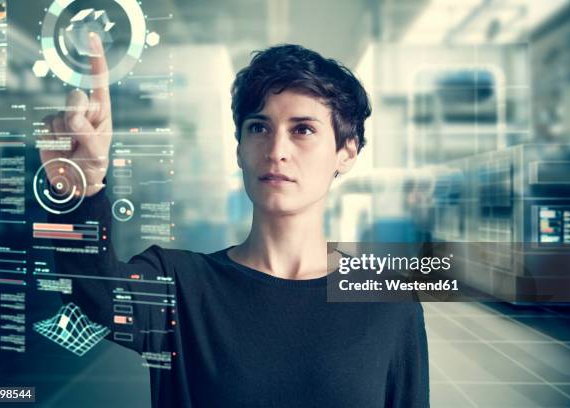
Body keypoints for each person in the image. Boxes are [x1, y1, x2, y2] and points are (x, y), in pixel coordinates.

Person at [42, 33, 429, 407]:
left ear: (347, 152)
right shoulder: (180, 287)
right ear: (240, 150)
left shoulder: (389, 302)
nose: (276, 150)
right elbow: (93, 294)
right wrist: (82, 191)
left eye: (303, 130)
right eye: (259, 127)